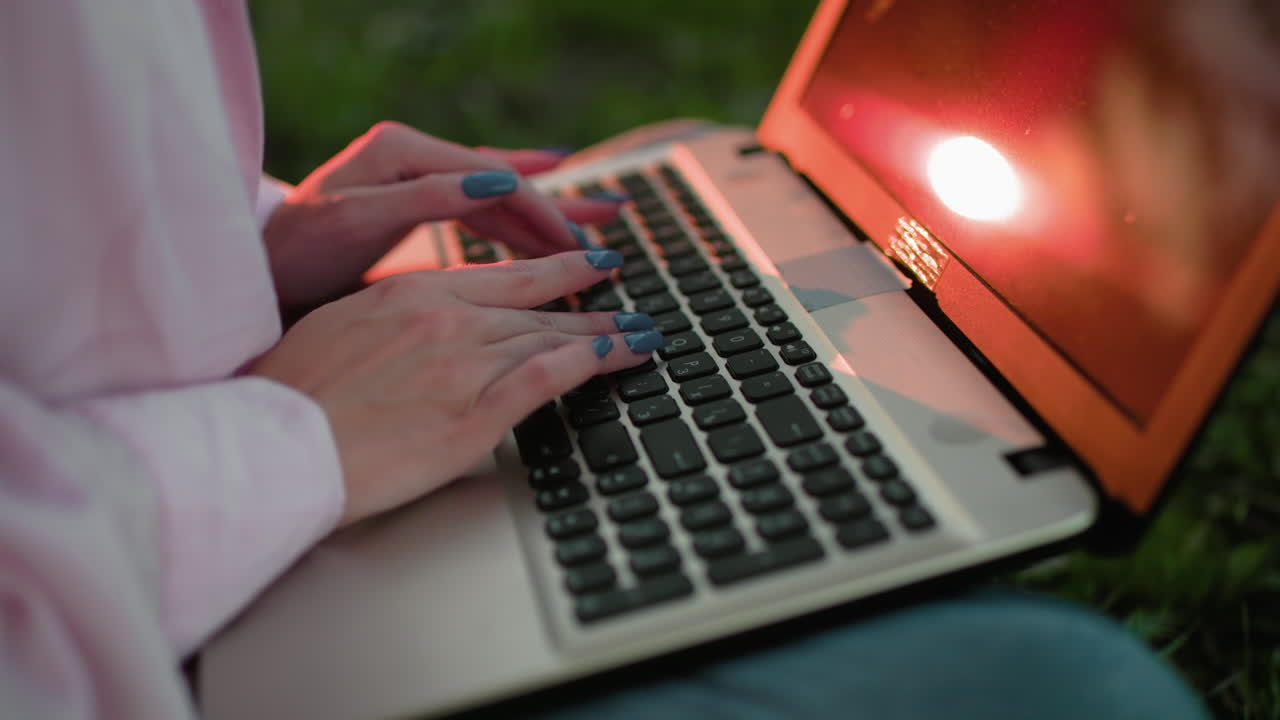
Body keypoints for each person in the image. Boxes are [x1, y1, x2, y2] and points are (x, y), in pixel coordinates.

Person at [0, 2, 1208, 719]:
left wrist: (243, 249)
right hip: (123, 635)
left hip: (167, 472)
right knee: (1066, 693)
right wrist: (288, 440)